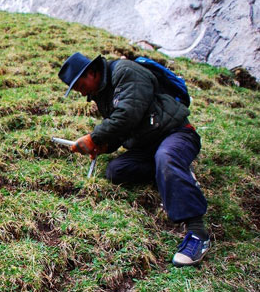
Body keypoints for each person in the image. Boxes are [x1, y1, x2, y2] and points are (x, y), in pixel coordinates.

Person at [58, 52, 209, 267]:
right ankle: (176, 173)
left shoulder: (126, 72)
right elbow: (122, 130)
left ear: (91, 72)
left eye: (79, 85)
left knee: (166, 157)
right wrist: (104, 146)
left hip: (175, 134)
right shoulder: (102, 92)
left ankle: (198, 234)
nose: (80, 93)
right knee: (116, 170)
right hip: (147, 145)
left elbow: (128, 114)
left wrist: (94, 138)